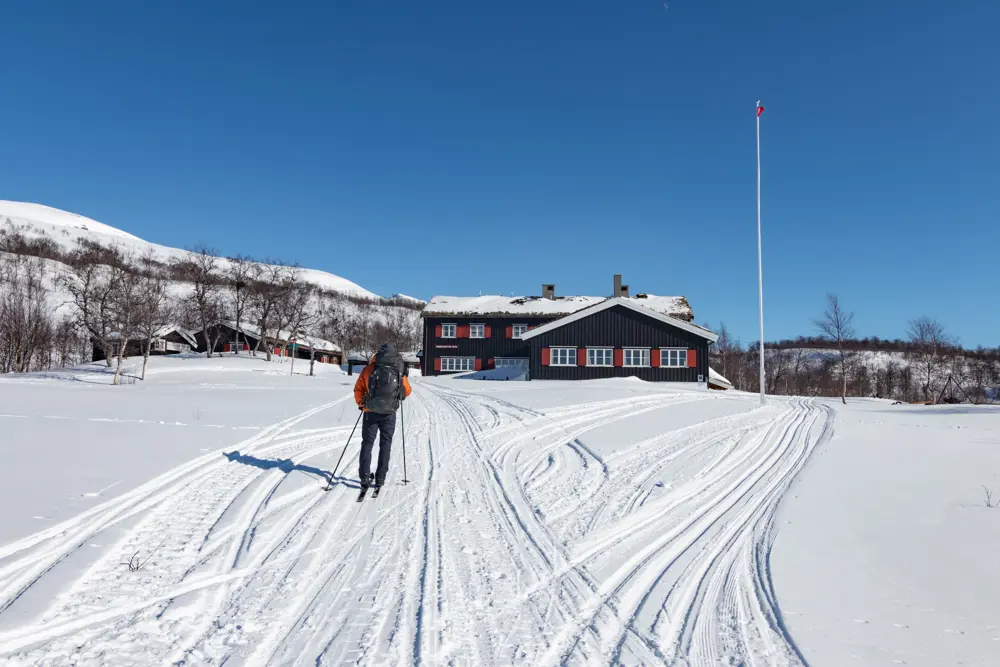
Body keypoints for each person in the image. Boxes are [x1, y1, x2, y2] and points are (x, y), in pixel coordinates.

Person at [353, 342, 412, 491]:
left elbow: (358, 388)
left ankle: (364, 477)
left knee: (367, 443)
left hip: (370, 412)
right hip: (389, 413)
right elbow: (407, 391)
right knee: (385, 444)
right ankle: (380, 478)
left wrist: (362, 404)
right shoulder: (398, 369)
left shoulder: (369, 369)